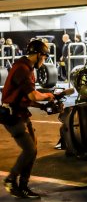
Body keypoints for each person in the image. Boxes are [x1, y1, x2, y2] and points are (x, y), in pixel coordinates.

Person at [1, 40, 55, 199]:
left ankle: (23, 186)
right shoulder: (22, 69)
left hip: (22, 113)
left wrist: (43, 106)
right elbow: (33, 95)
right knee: (29, 150)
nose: (44, 61)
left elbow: (27, 97)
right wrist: (48, 95)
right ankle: (11, 180)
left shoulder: (26, 67)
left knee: (33, 150)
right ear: (38, 55)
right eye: (44, 57)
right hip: (12, 116)